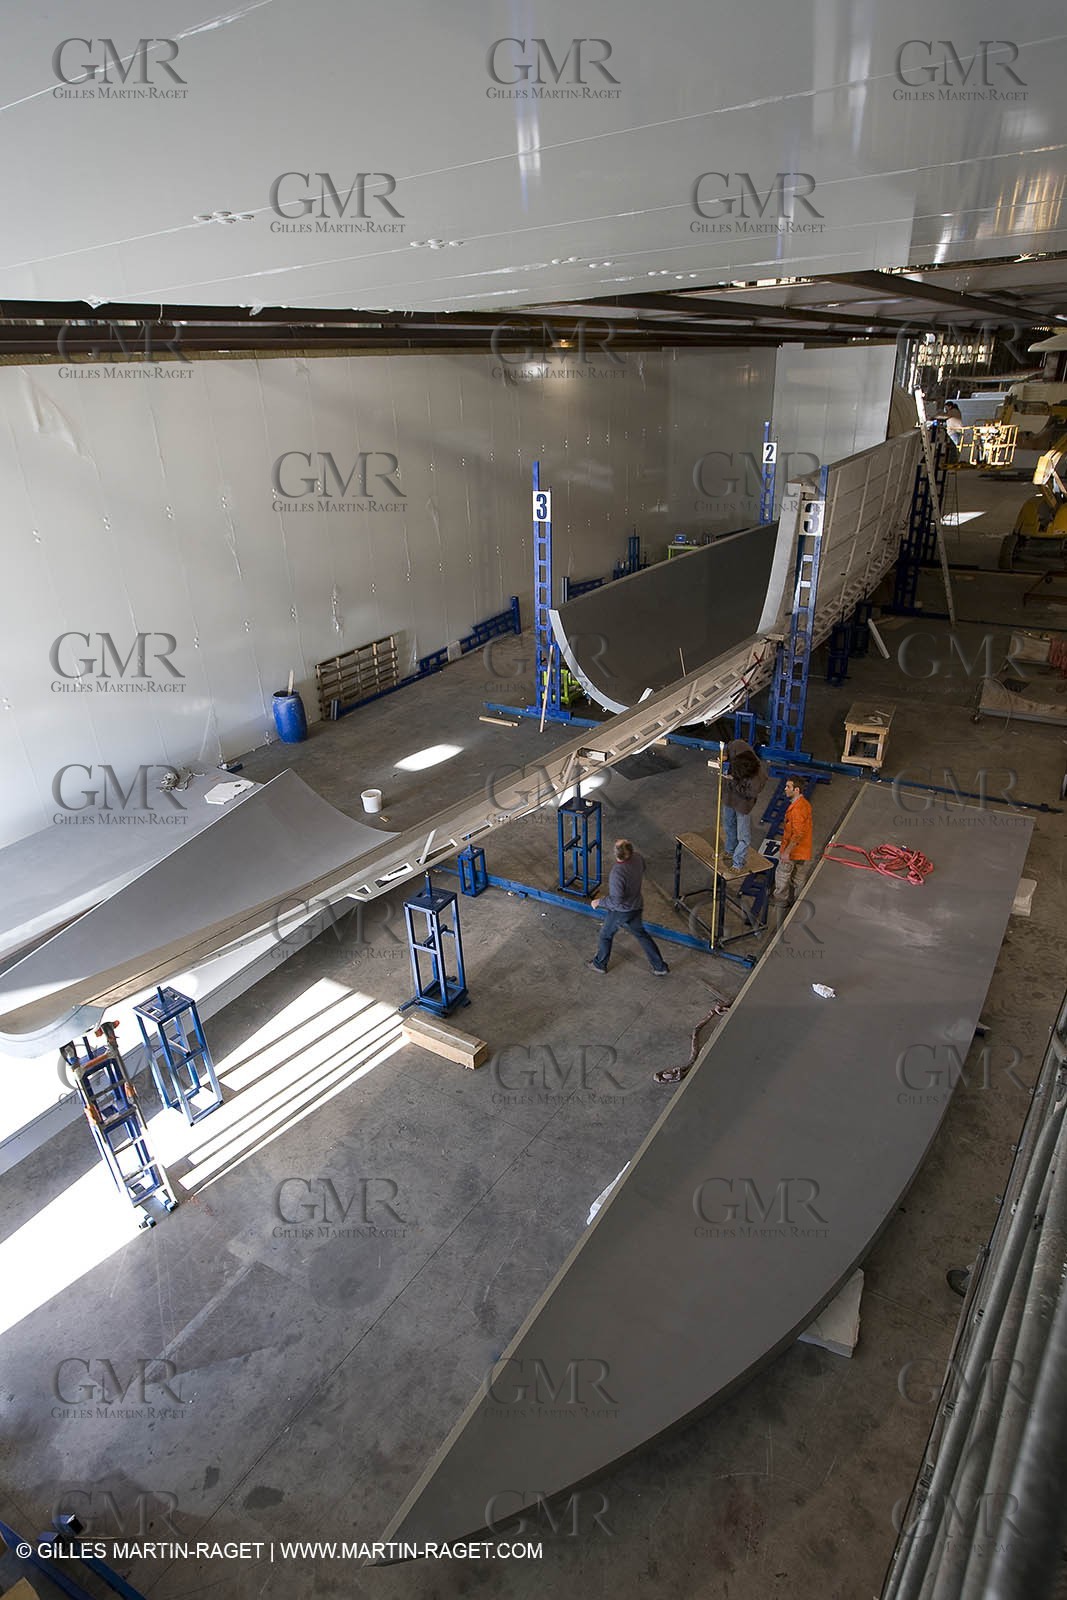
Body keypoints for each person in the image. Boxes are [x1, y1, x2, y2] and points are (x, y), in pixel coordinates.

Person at [588, 839, 669, 975]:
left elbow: (616, 901)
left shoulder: (617, 873)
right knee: (641, 934)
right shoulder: (638, 858)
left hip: (622, 911)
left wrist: (599, 902)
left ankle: (600, 964)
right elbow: (642, 869)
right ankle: (660, 967)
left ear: (617, 855)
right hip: (636, 905)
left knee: (605, 935)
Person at [720, 739, 768, 871]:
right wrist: (724, 755)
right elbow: (732, 744)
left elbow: (749, 793)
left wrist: (732, 781)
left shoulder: (757, 778)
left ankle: (738, 862)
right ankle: (729, 850)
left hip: (743, 804)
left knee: (743, 836)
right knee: (728, 825)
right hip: (730, 798)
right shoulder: (740, 749)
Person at [773, 777, 813, 912]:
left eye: (788, 787)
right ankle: (798, 902)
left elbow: (797, 834)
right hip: (803, 851)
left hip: (793, 851)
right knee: (799, 877)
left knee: (782, 876)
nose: (785, 789)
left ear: (796, 790)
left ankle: (780, 902)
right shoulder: (804, 804)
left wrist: (786, 852)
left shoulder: (797, 810)